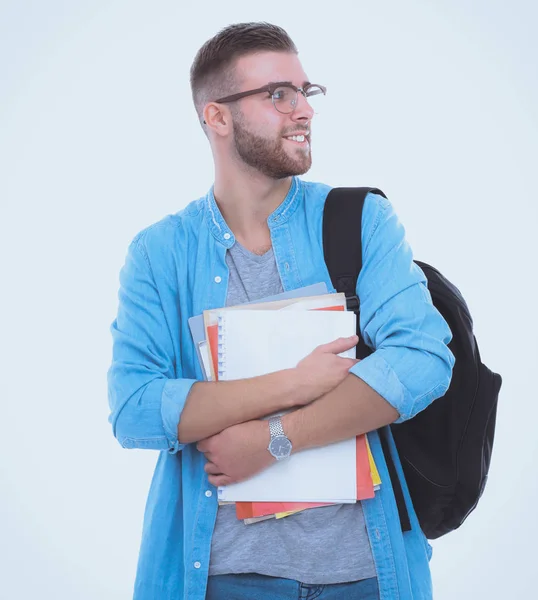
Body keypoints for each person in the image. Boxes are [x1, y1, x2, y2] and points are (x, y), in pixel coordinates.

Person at [107, 21, 455, 600]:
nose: (304, 111)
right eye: (277, 94)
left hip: (366, 576)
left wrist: (274, 438)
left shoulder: (360, 221)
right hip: (221, 580)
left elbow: (421, 359)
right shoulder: (160, 252)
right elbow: (135, 409)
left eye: (304, 91)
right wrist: (291, 384)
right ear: (216, 118)